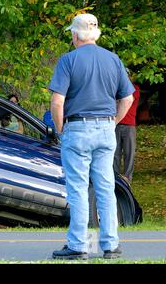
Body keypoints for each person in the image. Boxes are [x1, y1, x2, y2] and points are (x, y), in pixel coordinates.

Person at [48, 13, 134, 260]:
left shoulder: (68, 60)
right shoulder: (113, 59)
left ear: (75, 35)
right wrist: (113, 122)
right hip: (106, 130)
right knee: (106, 188)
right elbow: (127, 98)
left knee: (78, 189)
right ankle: (110, 245)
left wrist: (61, 129)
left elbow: (57, 101)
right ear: (95, 34)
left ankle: (78, 245)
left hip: (77, 129)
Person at [113, 77, 140, 183]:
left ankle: (128, 178)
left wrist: (118, 100)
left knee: (129, 152)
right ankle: (116, 177)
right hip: (116, 123)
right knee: (115, 152)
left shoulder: (135, 88)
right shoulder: (116, 88)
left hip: (129, 125)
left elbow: (127, 99)